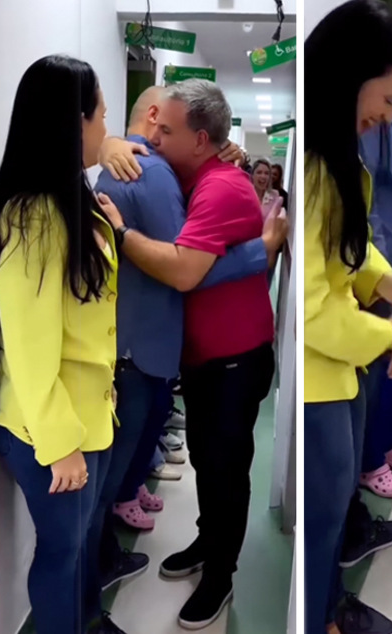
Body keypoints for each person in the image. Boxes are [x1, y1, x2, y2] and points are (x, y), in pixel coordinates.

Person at [89, 84, 284, 623]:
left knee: (226, 469)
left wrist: (122, 232)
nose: (154, 133)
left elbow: (182, 269)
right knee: (206, 461)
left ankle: (221, 576)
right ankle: (207, 542)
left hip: (235, 360)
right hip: (203, 358)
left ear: (200, 139)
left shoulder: (220, 187)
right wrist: (109, 143)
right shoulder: (190, 172)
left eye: (166, 129)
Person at [304, 2, 392, 633]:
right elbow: (313, 311)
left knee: (333, 512)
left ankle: (330, 606)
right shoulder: (314, 167)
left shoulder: (341, 158)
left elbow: (346, 254)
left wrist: (388, 279)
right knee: (323, 513)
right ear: (347, 75)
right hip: (320, 375)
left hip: (341, 370)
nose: (387, 117)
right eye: (388, 100)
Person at [0, 55, 121, 634]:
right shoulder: (31, 219)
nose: (106, 126)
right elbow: (28, 346)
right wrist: (60, 443)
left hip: (93, 412)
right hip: (52, 427)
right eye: (100, 114)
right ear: (75, 121)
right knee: (62, 553)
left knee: (81, 543)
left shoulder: (73, 197)